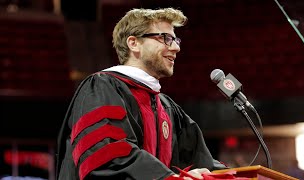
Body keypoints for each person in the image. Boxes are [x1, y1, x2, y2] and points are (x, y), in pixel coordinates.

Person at [55, 7, 227, 180]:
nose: (176, 48)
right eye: (165, 38)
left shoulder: (168, 108)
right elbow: (108, 157)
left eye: (176, 40)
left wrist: (238, 175)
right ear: (134, 43)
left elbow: (202, 163)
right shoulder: (102, 88)